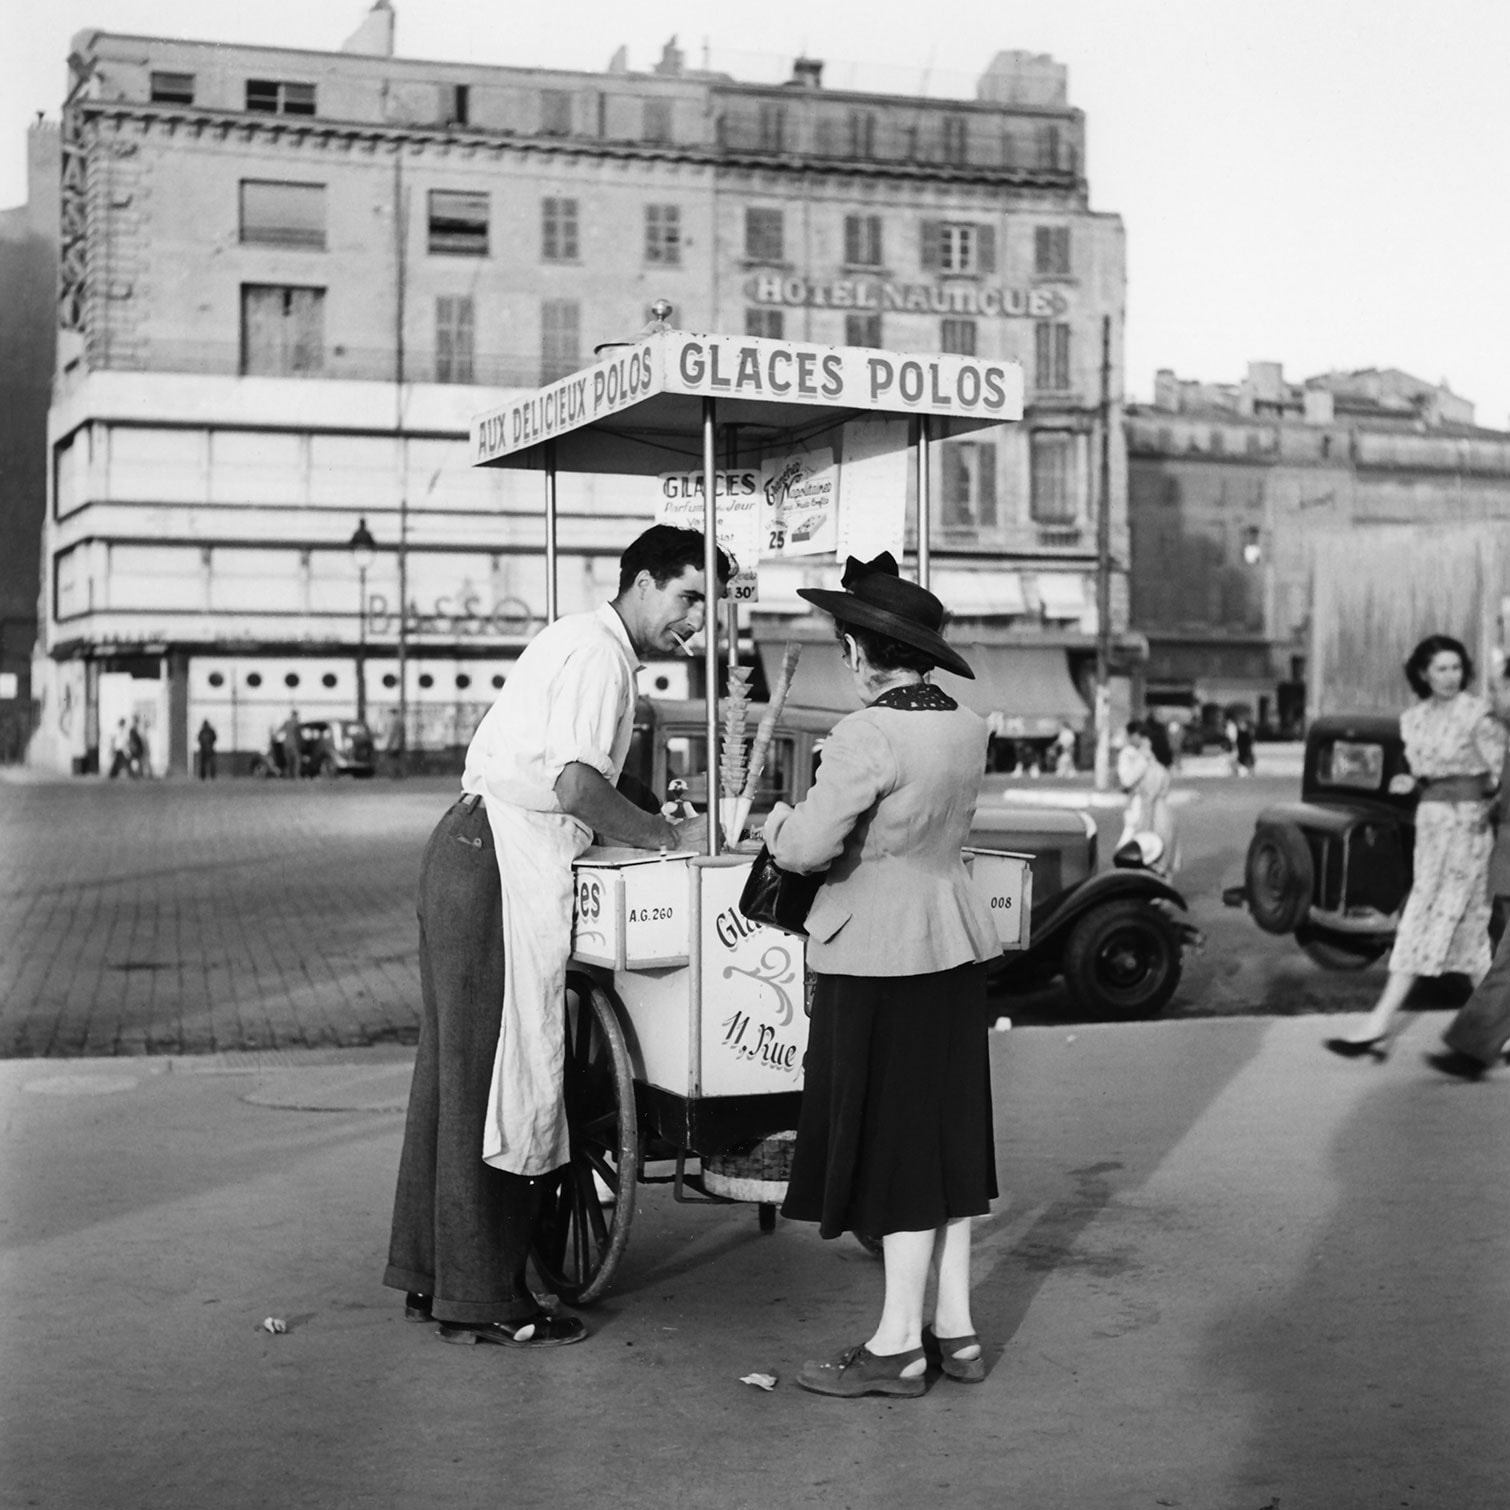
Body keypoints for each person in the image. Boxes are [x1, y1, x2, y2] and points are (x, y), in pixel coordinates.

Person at [383, 525, 728, 1347]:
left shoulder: (579, 639)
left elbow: (570, 769)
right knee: (499, 1074)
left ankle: (435, 1277)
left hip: (467, 850)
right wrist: (663, 835)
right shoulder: (602, 656)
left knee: (456, 1077)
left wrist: (641, 803)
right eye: (687, 600)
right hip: (494, 865)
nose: (696, 625)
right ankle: (486, 1299)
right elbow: (575, 785)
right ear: (643, 583)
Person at [758, 552, 1001, 1399]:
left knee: (896, 1146)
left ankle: (898, 1345)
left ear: (860, 654)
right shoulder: (967, 725)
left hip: (875, 954)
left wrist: (782, 818)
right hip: (954, 945)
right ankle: (956, 1332)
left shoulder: (867, 733)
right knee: (946, 1138)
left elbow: (806, 848)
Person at [1326, 634, 1507, 1059]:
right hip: (1431, 829)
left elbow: (1503, 774)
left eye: (1456, 668)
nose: (1449, 677)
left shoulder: (1478, 716)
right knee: (1469, 932)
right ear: (1423, 673)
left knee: (1426, 919)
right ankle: (1500, 1033)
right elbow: (1427, 770)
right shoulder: (1413, 720)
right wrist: (1414, 782)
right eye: (1440, 669)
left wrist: (1486, 800)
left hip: (1467, 830)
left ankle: (1378, 1023)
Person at [1117, 718, 1179, 876]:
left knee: (1137, 852)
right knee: (1163, 853)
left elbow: (1128, 781)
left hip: (1148, 809)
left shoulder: (1144, 760)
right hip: (1164, 811)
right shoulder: (1161, 768)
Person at [382, 707, 405, 779]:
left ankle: (395, 774)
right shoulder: (400, 720)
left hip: (394, 744)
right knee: (397, 759)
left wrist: (389, 744)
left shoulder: (394, 720)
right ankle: (399, 774)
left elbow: (392, 733)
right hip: (399, 743)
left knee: (393, 759)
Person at [280, 710, 302, 780]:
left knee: (289, 762)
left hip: (286, 745)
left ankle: (289, 776)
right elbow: (299, 735)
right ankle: (295, 776)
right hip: (293, 745)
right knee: (296, 761)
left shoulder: (287, 722)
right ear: (295, 715)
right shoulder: (297, 723)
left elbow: (279, 730)